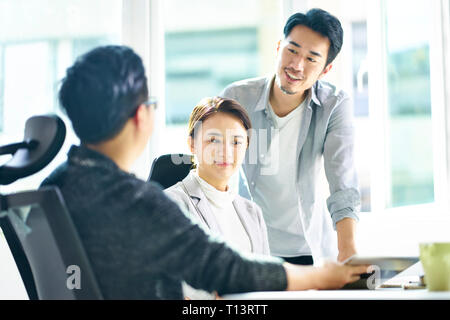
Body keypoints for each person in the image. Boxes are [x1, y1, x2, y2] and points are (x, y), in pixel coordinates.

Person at [41, 45, 368, 299]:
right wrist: (322, 276)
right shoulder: (132, 201)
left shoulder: (57, 184)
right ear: (141, 116)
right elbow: (222, 267)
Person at [221, 8, 360, 265]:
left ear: (326, 69)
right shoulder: (237, 98)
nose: (296, 65)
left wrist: (348, 253)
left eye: (311, 59)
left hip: (308, 250)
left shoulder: (335, 106)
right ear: (278, 47)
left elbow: (343, 183)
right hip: (249, 248)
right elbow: (213, 174)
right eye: (292, 50)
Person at [165, 97, 270, 299]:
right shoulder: (171, 204)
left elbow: (264, 284)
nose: (226, 152)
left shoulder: (252, 213)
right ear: (192, 145)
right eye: (213, 140)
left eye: (236, 142)